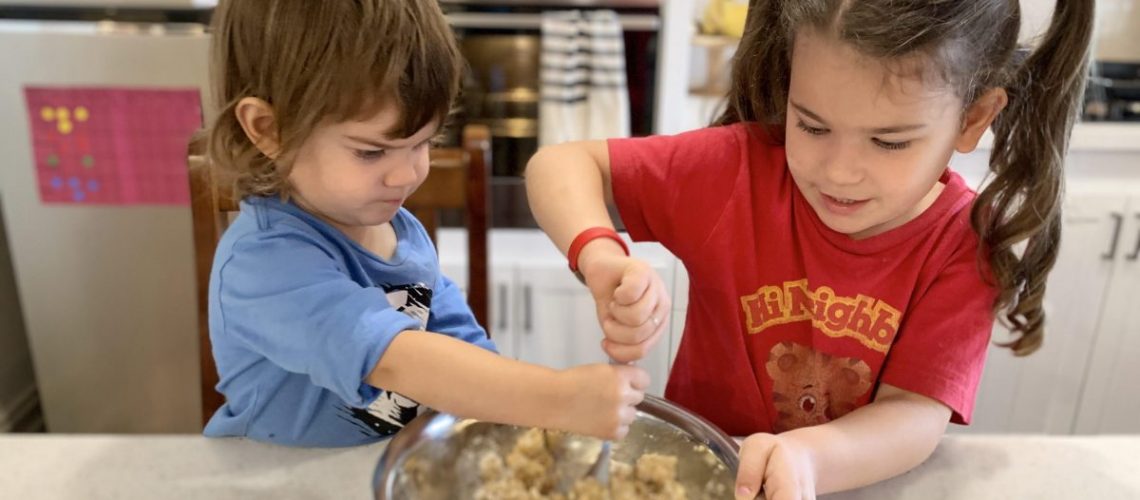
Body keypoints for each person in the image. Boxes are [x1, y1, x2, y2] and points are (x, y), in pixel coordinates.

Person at [525, 0, 1094, 497]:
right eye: (812, 126)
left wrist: (809, 456)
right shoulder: (736, 173)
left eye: (888, 141)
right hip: (701, 476)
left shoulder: (963, 244)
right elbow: (560, 165)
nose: (840, 172)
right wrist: (600, 254)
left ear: (973, 119)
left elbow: (914, 416)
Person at [200, 0, 647, 447]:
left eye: (425, 142)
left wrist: (509, 417)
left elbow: (458, 339)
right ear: (268, 129)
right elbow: (395, 359)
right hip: (277, 480)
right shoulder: (263, 264)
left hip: (384, 468)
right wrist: (556, 398)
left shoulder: (401, 230)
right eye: (371, 152)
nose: (408, 174)